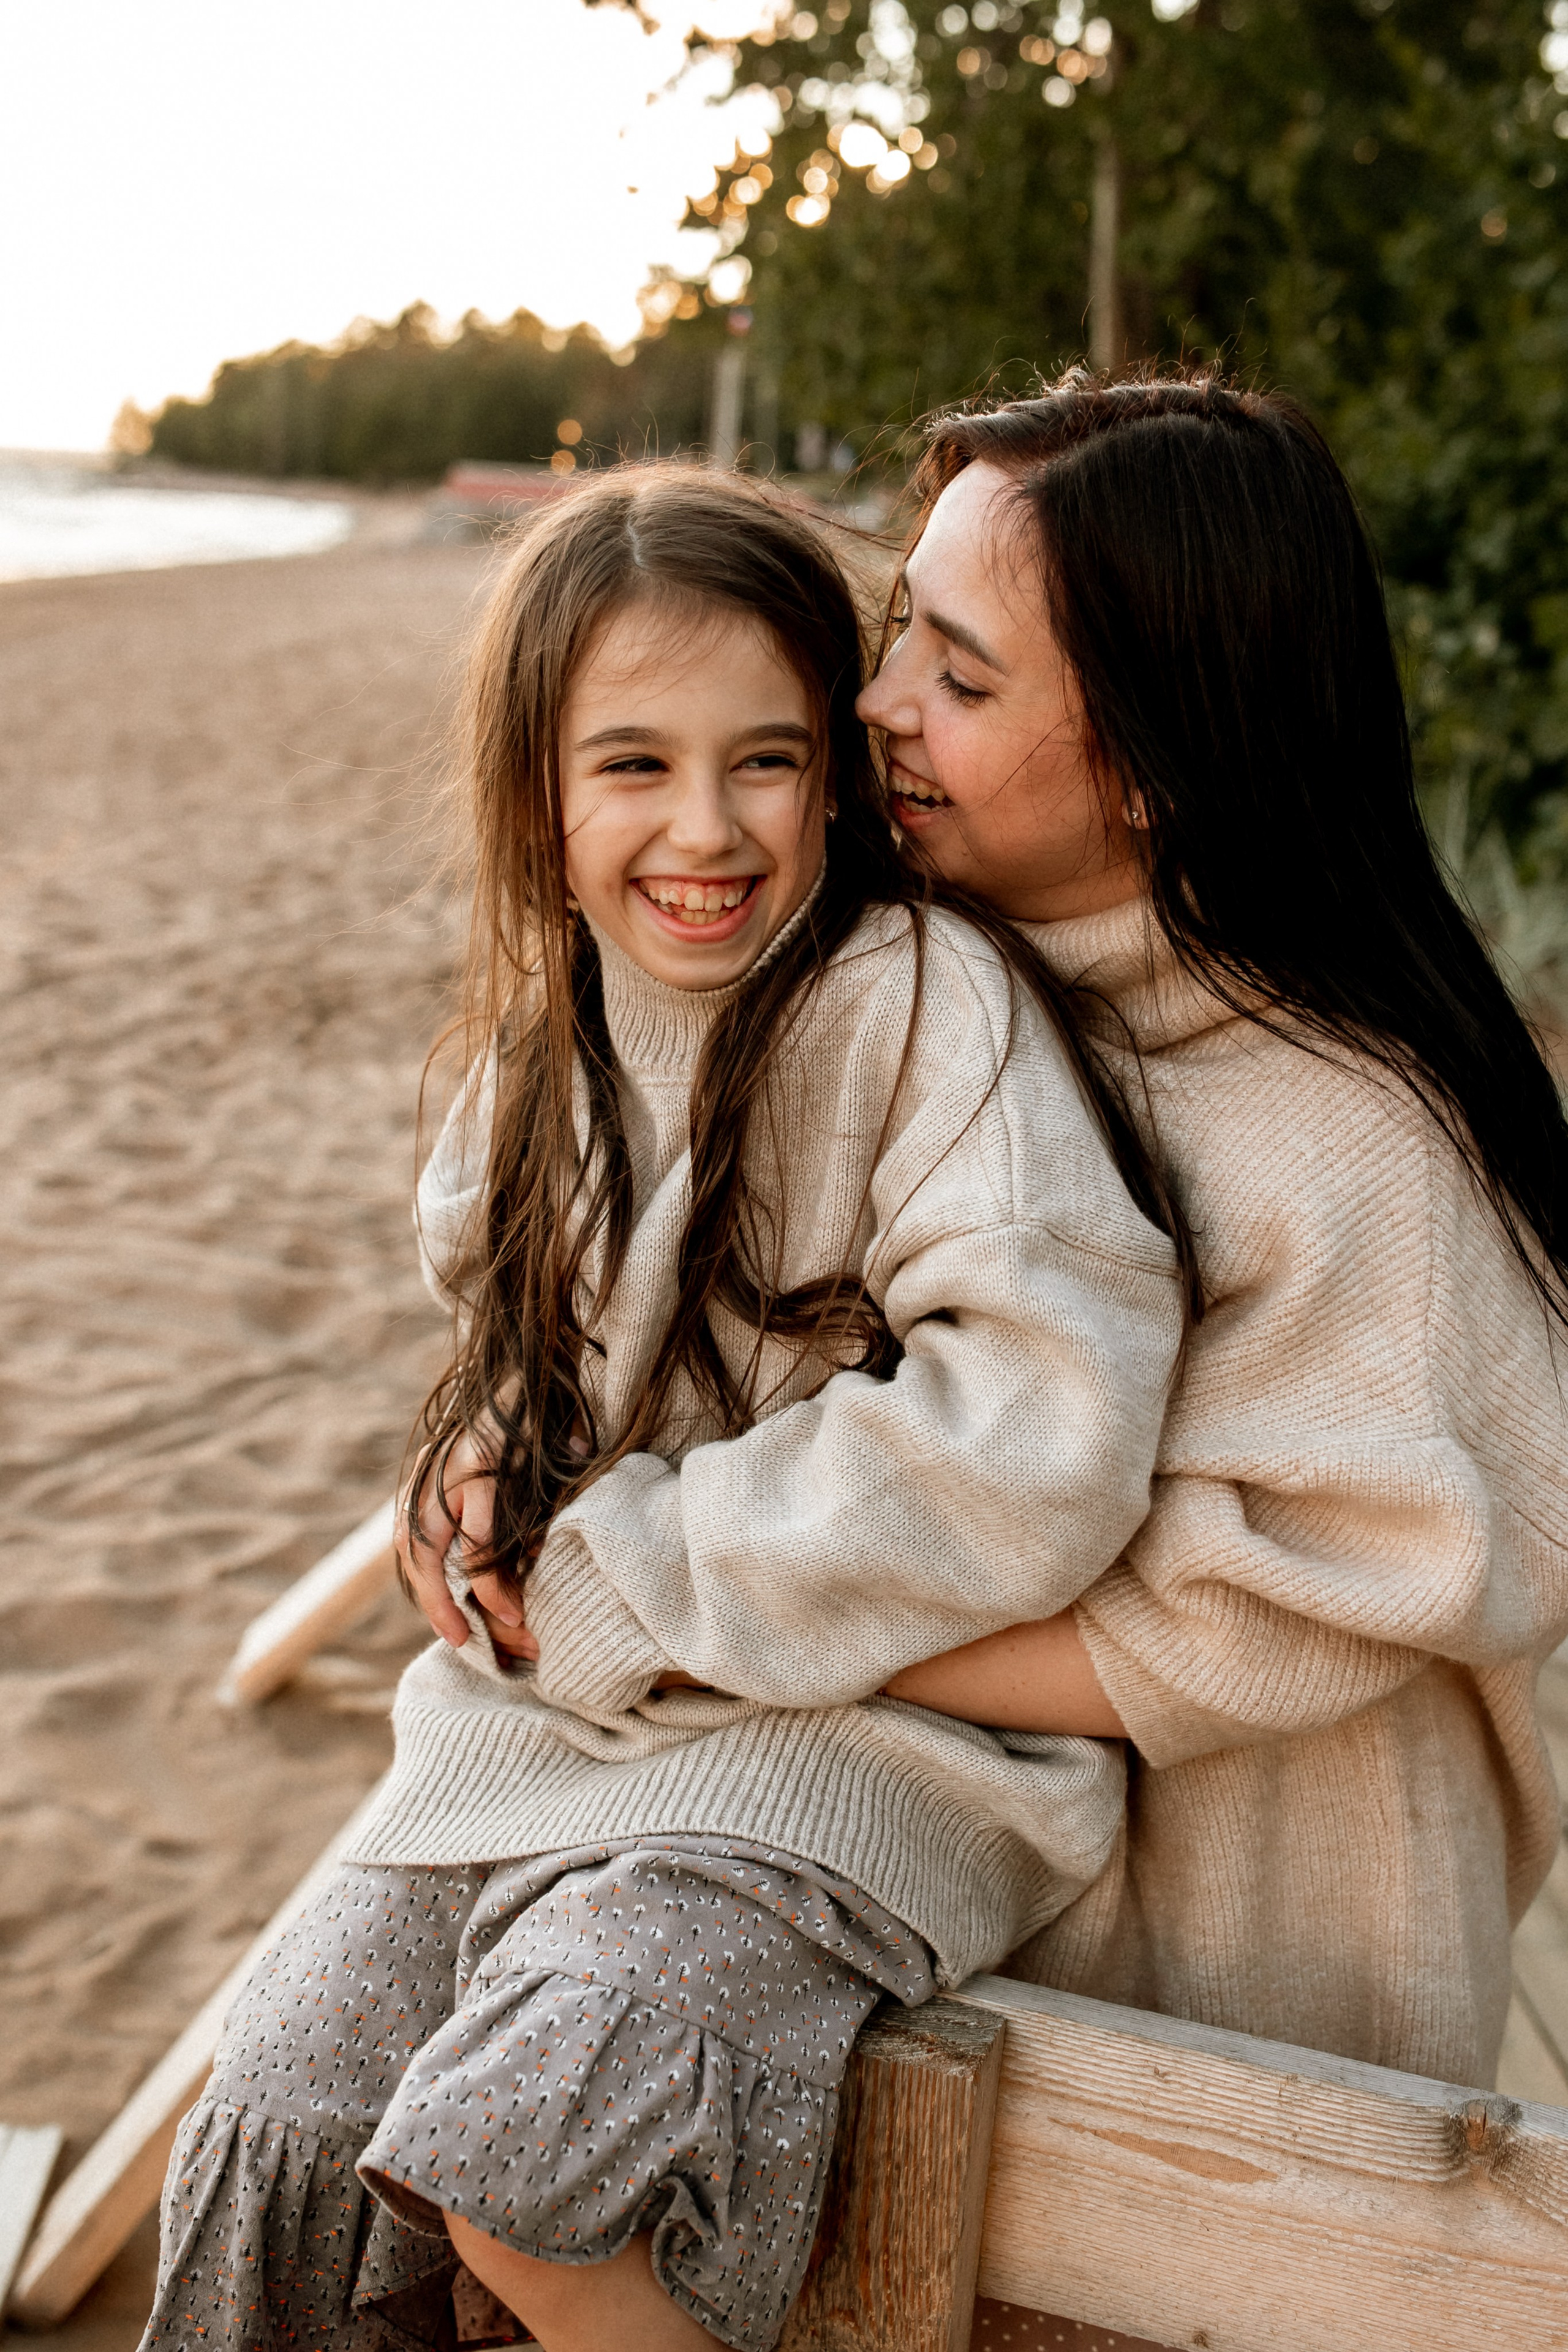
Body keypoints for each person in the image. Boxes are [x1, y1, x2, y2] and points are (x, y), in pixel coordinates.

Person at [140, 465, 1184, 2352]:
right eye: (633, 766)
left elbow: (1043, 1423)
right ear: (538, 808)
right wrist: (473, 1472)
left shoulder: (918, 1005)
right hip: (536, 1746)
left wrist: (630, 1571)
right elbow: (518, 1363)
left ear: (838, 777)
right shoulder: (543, 1059)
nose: (705, 829)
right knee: (274, 2124)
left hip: (852, 1760)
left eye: (766, 761)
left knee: (530, 2160)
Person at [858, 372, 1568, 2090]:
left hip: (1263, 2010)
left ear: (1163, 761)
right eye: (901, 635)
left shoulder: (1359, 1139)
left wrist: (743, 1623)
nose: (880, 702)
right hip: (964, 1927)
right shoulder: (936, 997)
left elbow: (1267, 1607)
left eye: (960, 676)